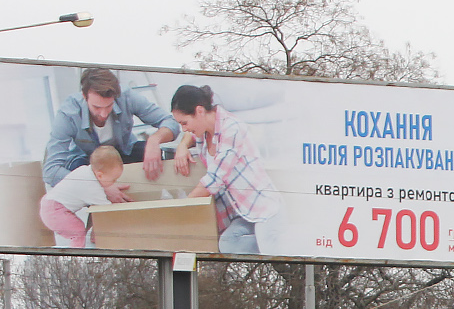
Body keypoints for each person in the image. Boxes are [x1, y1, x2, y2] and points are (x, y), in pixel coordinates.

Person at [169, 84, 281, 253]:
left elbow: (214, 180)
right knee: (228, 245)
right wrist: (182, 146)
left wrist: (180, 210)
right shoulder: (203, 132)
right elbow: (188, 134)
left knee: (268, 248)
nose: (184, 128)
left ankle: (284, 238)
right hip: (241, 213)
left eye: (184, 123)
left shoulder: (231, 129)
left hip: (263, 208)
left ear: (199, 111)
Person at [42, 68, 181, 195]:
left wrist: (154, 141)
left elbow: (171, 122)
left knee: (151, 153)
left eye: (109, 106)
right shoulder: (68, 114)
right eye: (96, 107)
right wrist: (97, 187)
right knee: (77, 170)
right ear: (84, 96)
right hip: (87, 163)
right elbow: (50, 171)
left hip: (122, 153)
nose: (103, 114)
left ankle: (152, 201)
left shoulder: (126, 96)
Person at [38, 145, 123, 248]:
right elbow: (106, 210)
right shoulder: (92, 187)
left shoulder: (85, 170)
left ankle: (95, 237)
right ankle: (76, 254)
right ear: (100, 175)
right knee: (78, 231)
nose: (114, 183)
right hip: (55, 210)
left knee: (85, 223)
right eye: (113, 180)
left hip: (50, 204)